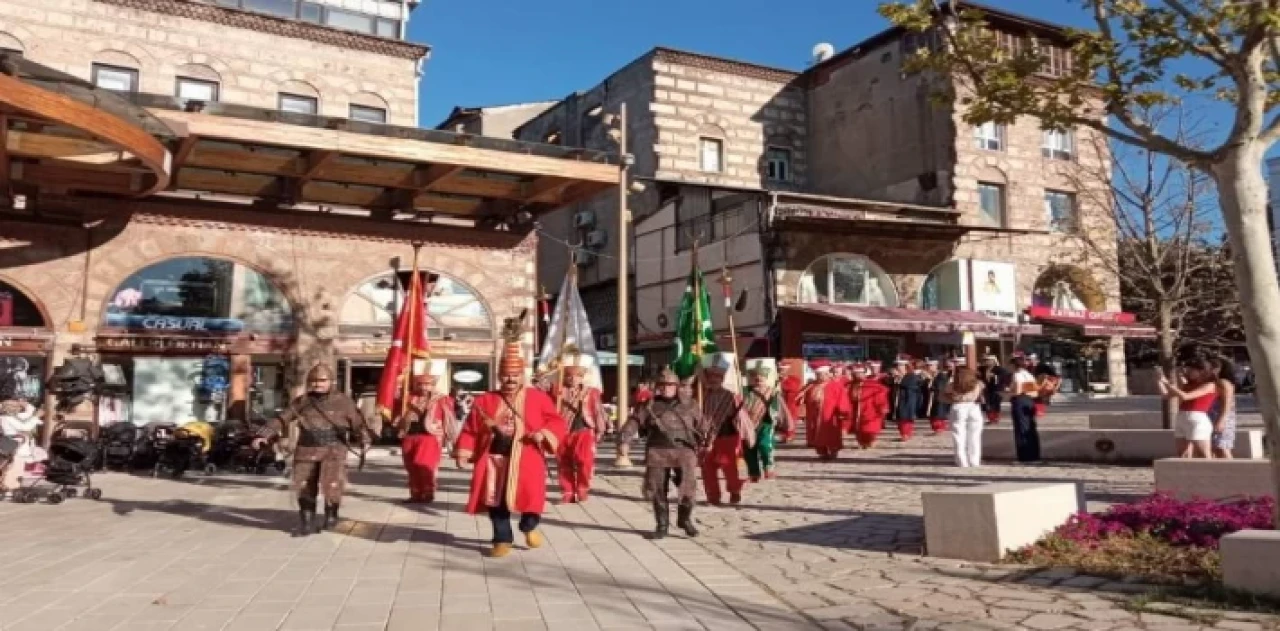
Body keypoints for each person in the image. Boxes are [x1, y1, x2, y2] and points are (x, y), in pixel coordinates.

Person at [454, 318, 567, 558]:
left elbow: (557, 421)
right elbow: (470, 429)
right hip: (494, 458)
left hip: (527, 455)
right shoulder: (485, 400)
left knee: (532, 497)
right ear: (498, 376)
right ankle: (502, 539)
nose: (510, 380)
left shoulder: (537, 397)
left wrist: (543, 433)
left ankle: (529, 526)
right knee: (496, 501)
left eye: (515, 375)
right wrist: (464, 451)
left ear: (522, 376)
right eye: (506, 375)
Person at [254, 364, 373, 537]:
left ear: (331, 381)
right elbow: (283, 418)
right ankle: (307, 522)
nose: (317, 384)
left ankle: (331, 518)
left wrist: (365, 439)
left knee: (332, 485)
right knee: (304, 486)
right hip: (306, 449)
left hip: (333, 450)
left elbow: (358, 423)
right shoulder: (302, 401)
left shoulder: (344, 402)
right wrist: (263, 435)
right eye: (314, 381)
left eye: (322, 380)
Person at [618, 366, 706, 539]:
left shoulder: (690, 404)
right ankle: (662, 525)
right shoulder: (648, 406)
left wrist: (706, 440)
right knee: (658, 489)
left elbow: (702, 425)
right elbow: (633, 422)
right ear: (658, 386)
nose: (666, 388)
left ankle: (684, 519)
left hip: (684, 451)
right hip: (657, 451)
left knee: (688, 488)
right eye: (662, 385)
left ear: (676, 386)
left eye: (670, 385)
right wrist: (624, 440)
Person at [395, 362, 457, 504]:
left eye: (427, 384)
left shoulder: (441, 399)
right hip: (410, 435)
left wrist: (452, 440)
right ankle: (415, 493)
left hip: (429, 436)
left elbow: (450, 419)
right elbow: (396, 402)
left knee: (423, 464)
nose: (424, 387)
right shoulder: (409, 397)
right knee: (411, 465)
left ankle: (428, 492)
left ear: (433, 384)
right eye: (421, 384)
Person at [699, 353, 755, 506]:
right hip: (708, 438)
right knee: (707, 467)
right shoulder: (704, 395)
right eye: (710, 377)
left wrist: (746, 435)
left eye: (716, 377)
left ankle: (735, 491)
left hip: (728, 436)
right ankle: (713, 496)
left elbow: (741, 417)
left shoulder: (731, 397)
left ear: (722, 379)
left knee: (730, 467)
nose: (713, 380)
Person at [553, 354, 605, 504]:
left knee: (585, 461)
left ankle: (582, 490)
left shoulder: (591, 392)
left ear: (582, 377)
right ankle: (567, 492)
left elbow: (598, 411)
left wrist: (600, 430)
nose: (573, 379)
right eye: (569, 375)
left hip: (584, 430)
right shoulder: (557, 391)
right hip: (563, 431)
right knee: (563, 462)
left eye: (577, 376)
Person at [741, 359, 792, 481]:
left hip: (765, 423)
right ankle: (753, 472)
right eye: (755, 376)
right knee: (749, 449)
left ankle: (768, 468)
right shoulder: (745, 391)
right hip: (748, 424)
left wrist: (784, 423)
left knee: (765, 445)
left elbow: (780, 408)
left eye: (761, 376)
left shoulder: (772, 392)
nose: (758, 379)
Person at [1158, 357, 1218, 459]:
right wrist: (1159, 380)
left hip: (1197, 418)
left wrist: (1167, 383)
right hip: (1182, 417)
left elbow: (1185, 396)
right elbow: (1166, 395)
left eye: (1191, 370)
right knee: (1183, 453)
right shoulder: (1188, 385)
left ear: (1202, 371)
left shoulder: (1209, 385)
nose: (1188, 372)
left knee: (1203, 453)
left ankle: (1210, 472)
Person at [805, 360, 849, 459]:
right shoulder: (812, 386)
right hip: (815, 414)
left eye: (821, 374)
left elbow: (842, 399)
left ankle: (833, 451)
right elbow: (802, 398)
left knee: (831, 434)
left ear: (827, 374)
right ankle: (822, 451)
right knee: (817, 432)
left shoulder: (835, 386)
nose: (819, 376)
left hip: (830, 415)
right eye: (817, 374)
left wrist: (842, 411)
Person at [943, 366, 985, 467]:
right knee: (975, 436)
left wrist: (955, 397)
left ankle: (961, 460)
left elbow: (945, 395)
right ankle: (974, 460)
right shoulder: (977, 383)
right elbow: (980, 396)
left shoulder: (953, 384)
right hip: (973, 407)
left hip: (959, 406)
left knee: (958, 435)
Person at [1, 398, 41, 497]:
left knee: (6, 464)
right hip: (10, 443)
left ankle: (5, 484)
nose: (19, 409)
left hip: (8, 443)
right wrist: (36, 417)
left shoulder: (6, 417)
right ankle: (10, 485)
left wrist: (28, 407)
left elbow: (25, 417)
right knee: (11, 464)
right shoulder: (7, 418)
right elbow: (24, 426)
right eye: (17, 407)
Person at [1006, 356, 1041, 463]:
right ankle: (1034, 454)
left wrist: (1008, 392)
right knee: (1030, 427)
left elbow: (1018, 390)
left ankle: (1025, 456)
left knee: (1021, 428)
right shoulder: (1029, 375)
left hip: (1020, 401)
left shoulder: (1017, 375)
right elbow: (1035, 391)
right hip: (1030, 401)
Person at [848, 363, 890, 450]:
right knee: (858, 429)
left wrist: (882, 406)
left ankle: (870, 441)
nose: (859, 375)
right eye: (856, 374)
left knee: (869, 429)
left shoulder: (872, 384)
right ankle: (862, 442)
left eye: (861, 373)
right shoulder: (850, 385)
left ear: (864, 373)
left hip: (870, 409)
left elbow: (880, 396)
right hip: (856, 410)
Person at [1209, 356, 1239, 459]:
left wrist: (1221, 420)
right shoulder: (1215, 382)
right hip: (1214, 416)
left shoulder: (1224, 382)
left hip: (1222, 417)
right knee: (1216, 447)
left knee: (1223, 447)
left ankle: (1233, 471)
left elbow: (1228, 403)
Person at [892, 356, 923, 441]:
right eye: (898, 366)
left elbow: (911, 385)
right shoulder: (897, 376)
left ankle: (906, 434)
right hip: (899, 399)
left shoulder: (911, 376)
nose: (899, 368)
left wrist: (900, 380)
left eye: (901, 366)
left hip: (908, 399)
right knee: (900, 419)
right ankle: (903, 434)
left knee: (906, 418)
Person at [778, 363, 803, 445]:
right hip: (780, 401)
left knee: (791, 418)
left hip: (791, 402)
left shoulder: (794, 379)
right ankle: (783, 435)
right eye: (781, 369)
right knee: (781, 418)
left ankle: (790, 435)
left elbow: (794, 388)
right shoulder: (775, 378)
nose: (782, 371)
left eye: (784, 369)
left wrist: (783, 381)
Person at [928, 358, 955, 434]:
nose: (929, 367)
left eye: (931, 366)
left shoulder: (941, 375)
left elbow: (940, 387)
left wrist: (932, 387)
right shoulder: (934, 375)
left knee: (938, 413)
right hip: (934, 397)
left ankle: (939, 428)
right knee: (934, 413)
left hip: (940, 397)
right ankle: (937, 428)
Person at [1030, 353, 1061, 418]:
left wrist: (1054, 385)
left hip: (1042, 385)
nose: (1031, 361)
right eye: (1030, 360)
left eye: (1032, 359)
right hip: (1033, 386)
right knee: (1035, 398)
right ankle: (1037, 411)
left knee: (1038, 398)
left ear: (1037, 360)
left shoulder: (1043, 366)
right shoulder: (1029, 367)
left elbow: (1055, 376)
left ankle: (1039, 411)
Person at [980, 355, 1006, 424]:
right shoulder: (982, 369)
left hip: (996, 389)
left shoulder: (999, 369)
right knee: (986, 404)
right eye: (985, 360)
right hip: (986, 389)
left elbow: (1003, 377)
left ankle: (996, 418)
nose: (987, 362)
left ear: (993, 361)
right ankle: (990, 418)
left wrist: (995, 376)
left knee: (996, 404)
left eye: (988, 360)